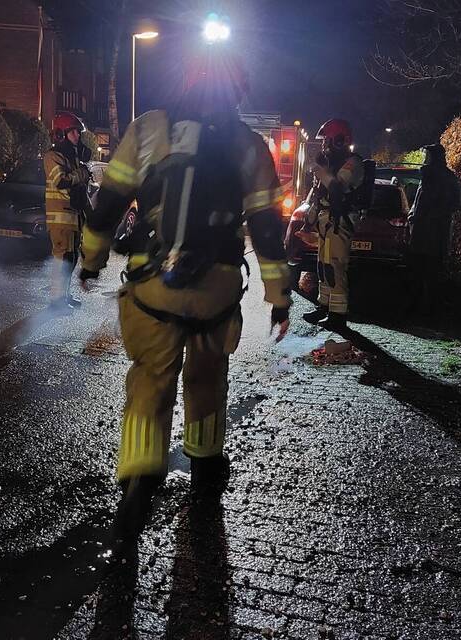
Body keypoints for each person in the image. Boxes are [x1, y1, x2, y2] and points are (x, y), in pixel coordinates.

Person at [79, 48, 292, 548]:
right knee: (207, 375)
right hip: (215, 289)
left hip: (153, 285)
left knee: (151, 379)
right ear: (237, 91)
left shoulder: (147, 129)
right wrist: (279, 297)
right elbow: (266, 229)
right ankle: (204, 469)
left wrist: (89, 262)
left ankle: (138, 477)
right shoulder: (248, 146)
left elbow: (108, 203)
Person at [301, 119, 365, 331]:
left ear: (339, 140)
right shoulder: (330, 165)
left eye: (327, 141)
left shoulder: (353, 164)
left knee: (335, 267)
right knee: (324, 266)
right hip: (326, 221)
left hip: (340, 222)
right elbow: (320, 196)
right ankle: (324, 306)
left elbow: (337, 189)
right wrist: (309, 220)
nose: (323, 146)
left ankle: (338, 316)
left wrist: (322, 173)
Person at [44, 113, 91, 309]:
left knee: (70, 260)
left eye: (77, 132)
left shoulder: (72, 159)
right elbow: (61, 181)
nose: (77, 136)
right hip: (61, 219)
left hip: (72, 217)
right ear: (61, 134)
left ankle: (64, 296)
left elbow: (79, 190)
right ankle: (56, 301)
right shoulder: (52, 156)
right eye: (72, 132)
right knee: (62, 260)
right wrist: (81, 173)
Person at [407, 143, 461, 312]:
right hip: (427, 232)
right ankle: (422, 308)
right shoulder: (433, 176)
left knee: (428, 273)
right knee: (423, 272)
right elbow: (419, 200)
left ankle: (426, 309)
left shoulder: (439, 177)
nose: (425, 159)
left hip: (432, 233)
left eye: (427, 156)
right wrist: (412, 214)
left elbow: (453, 203)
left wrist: (425, 216)